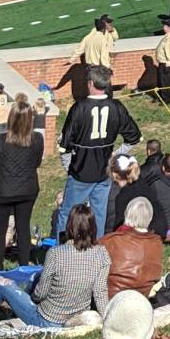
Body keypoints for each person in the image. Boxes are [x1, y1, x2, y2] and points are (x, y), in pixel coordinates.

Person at [57, 69, 140, 241]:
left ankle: (60, 252)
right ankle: (97, 250)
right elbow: (134, 137)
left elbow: (64, 145)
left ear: (90, 84)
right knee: (99, 214)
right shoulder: (116, 107)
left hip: (80, 172)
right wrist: (116, 154)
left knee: (67, 213)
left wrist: (68, 167)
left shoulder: (79, 108)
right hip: (104, 172)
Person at [0, 99, 46, 265]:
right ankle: (23, 264)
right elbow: (37, 162)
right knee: (23, 226)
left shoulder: (0, 139)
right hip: (26, 188)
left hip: (2, 189)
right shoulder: (37, 139)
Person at [103, 201, 166, 300]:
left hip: (111, 299)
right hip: (142, 299)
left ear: (127, 214)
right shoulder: (157, 243)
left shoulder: (109, 240)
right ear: (149, 218)